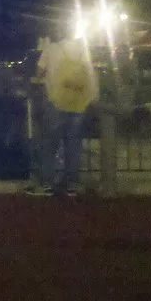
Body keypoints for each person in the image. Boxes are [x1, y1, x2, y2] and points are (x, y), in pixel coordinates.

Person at [26, 36, 98, 197]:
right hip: (79, 104)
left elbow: (38, 73)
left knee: (50, 144)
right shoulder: (83, 50)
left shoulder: (51, 48)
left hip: (56, 103)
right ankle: (71, 184)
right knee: (73, 146)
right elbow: (90, 74)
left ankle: (47, 184)